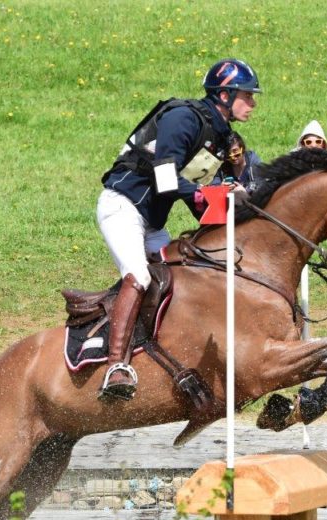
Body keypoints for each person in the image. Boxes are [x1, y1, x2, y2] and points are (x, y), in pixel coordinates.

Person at [97, 58, 261, 400]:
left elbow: (197, 200)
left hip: (152, 221)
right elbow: (164, 177)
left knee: (180, 279)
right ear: (226, 95)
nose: (254, 103)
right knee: (139, 277)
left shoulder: (220, 135)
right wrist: (207, 193)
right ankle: (116, 366)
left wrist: (230, 202)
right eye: (248, 95)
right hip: (122, 207)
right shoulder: (183, 118)